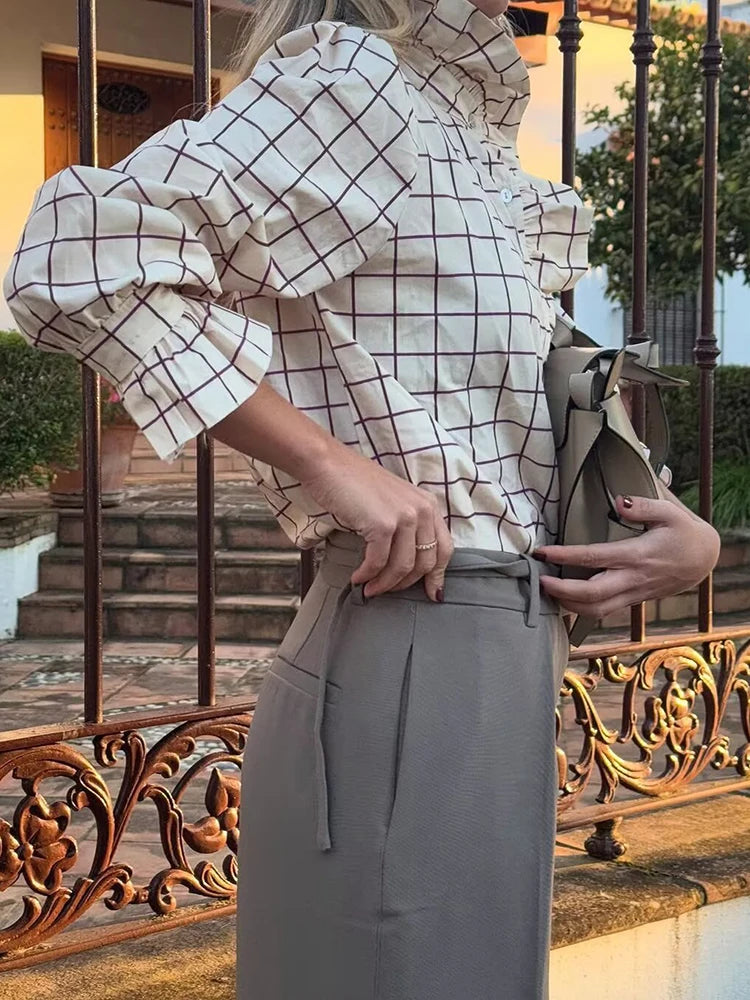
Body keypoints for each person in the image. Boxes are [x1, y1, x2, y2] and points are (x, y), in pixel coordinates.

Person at [3, 0, 720, 996]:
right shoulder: (356, 82)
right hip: (414, 638)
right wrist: (332, 464)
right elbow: (73, 252)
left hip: (496, 653)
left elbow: (503, 411)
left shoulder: (462, 128)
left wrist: (682, 544)